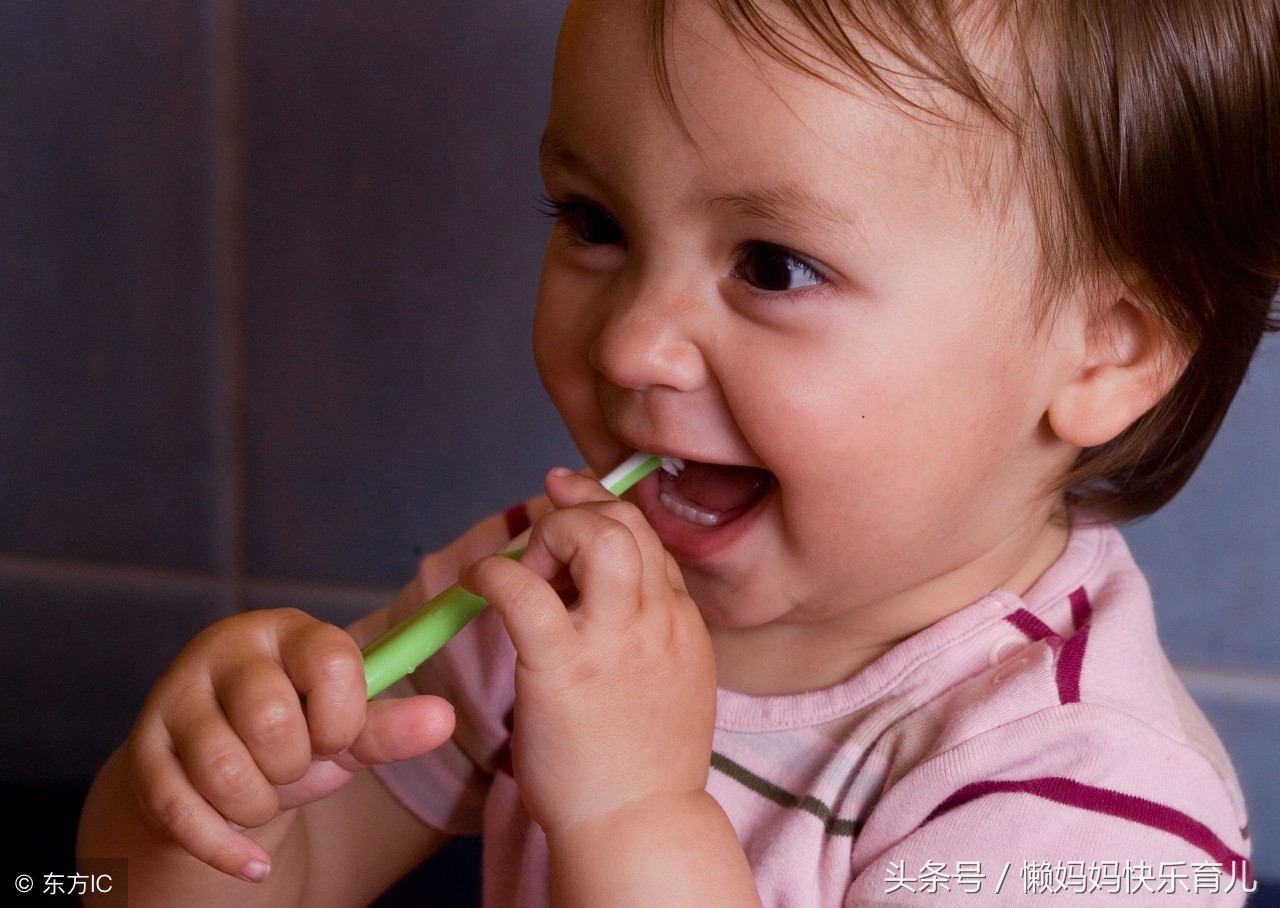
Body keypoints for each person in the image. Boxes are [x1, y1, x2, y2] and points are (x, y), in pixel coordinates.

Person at [78, 0, 1279, 904]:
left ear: (1100, 352)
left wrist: (631, 814)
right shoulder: (551, 594)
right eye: (594, 223)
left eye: (771, 264)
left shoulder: (1089, 805)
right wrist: (201, 798)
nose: (634, 345)